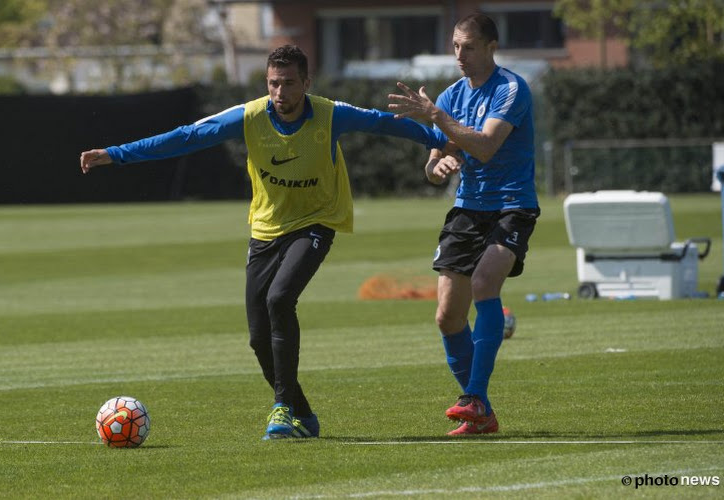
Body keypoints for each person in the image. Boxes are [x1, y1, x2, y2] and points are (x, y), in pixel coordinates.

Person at [80, 45, 450, 441]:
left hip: (316, 221)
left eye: (290, 83)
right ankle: (303, 416)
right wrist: (117, 155)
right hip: (266, 229)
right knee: (259, 338)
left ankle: (282, 408)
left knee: (279, 298)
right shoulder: (249, 116)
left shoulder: (330, 114)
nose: (281, 92)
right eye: (274, 83)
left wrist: (444, 138)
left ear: (306, 83)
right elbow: (185, 137)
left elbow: (383, 123)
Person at [388, 12, 540, 436]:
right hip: (467, 208)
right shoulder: (452, 96)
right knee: (447, 317)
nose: (460, 55)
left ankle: (472, 396)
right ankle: (482, 412)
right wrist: (438, 165)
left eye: (468, 46)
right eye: (455, 46)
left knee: (484, 284)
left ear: (491, 46)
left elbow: (487, 146)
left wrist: (436, 117)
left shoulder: (512, 89)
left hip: (512, 204)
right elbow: (436, 159)